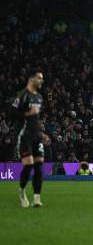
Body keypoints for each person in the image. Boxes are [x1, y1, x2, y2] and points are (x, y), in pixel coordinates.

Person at [12, 71, 48, 207]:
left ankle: (37, 198)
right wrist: (27, 113)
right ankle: (21, 191)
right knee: (28, 165)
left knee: (39, 166)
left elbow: (36, 118)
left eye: (42, 78)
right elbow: (12, 113)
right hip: (24, 135)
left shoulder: (39, 97)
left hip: (36, 135)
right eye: (39, 78)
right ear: (31, 79)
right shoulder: (22, 95)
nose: (41, 80)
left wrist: (42, 133)